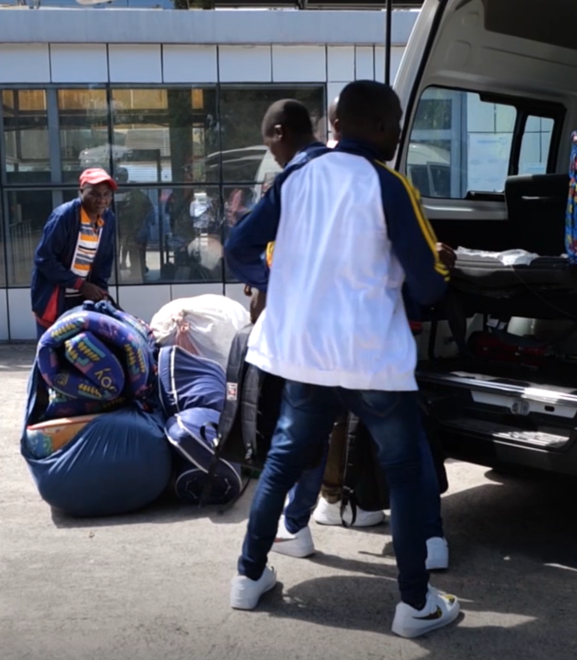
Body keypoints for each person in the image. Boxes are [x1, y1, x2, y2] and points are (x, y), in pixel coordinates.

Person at [224, 81, 460, 638]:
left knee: (281, 464)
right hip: (372, 359)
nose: (399, 134)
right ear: (378, 126)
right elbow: (428, 285)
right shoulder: (389, 184)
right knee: (405, 473)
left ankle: (248, 578)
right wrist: (442, 265)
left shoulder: (296, 178)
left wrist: (278, 283)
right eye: (396, 124)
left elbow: (238, 246)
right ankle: (415, 605)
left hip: (305, 357)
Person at [265, 96, 453, 573]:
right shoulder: (380, 178)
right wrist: (435, 264)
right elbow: (414, 259)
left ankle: (296, 524)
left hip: (318, 339)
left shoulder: (305, 176)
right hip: (376, 336)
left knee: (312, 437)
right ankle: (427, 539)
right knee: (406, 444)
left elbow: (273, 253)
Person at [31, 168, 117, 338]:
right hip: (56, 299)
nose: (102, 200)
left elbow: (105, 262)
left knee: (86, 350)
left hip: (84, 300)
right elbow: (44, 259)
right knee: (51, 350)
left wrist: (101, 293)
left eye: (106, 194)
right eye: (94, 193)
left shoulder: (108, 218)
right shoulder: (64, 216)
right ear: (81, 191)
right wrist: (80, 285)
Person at [114, 168, 156, 283]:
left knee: (135, 251)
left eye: (122, 177)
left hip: (134, 229)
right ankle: (135, 271)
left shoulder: (135, 195)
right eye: (119, 177)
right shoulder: (116, 193)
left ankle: (137, 271)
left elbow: (148, 211)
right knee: (123, 251)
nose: (120, 180)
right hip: (126, 229)